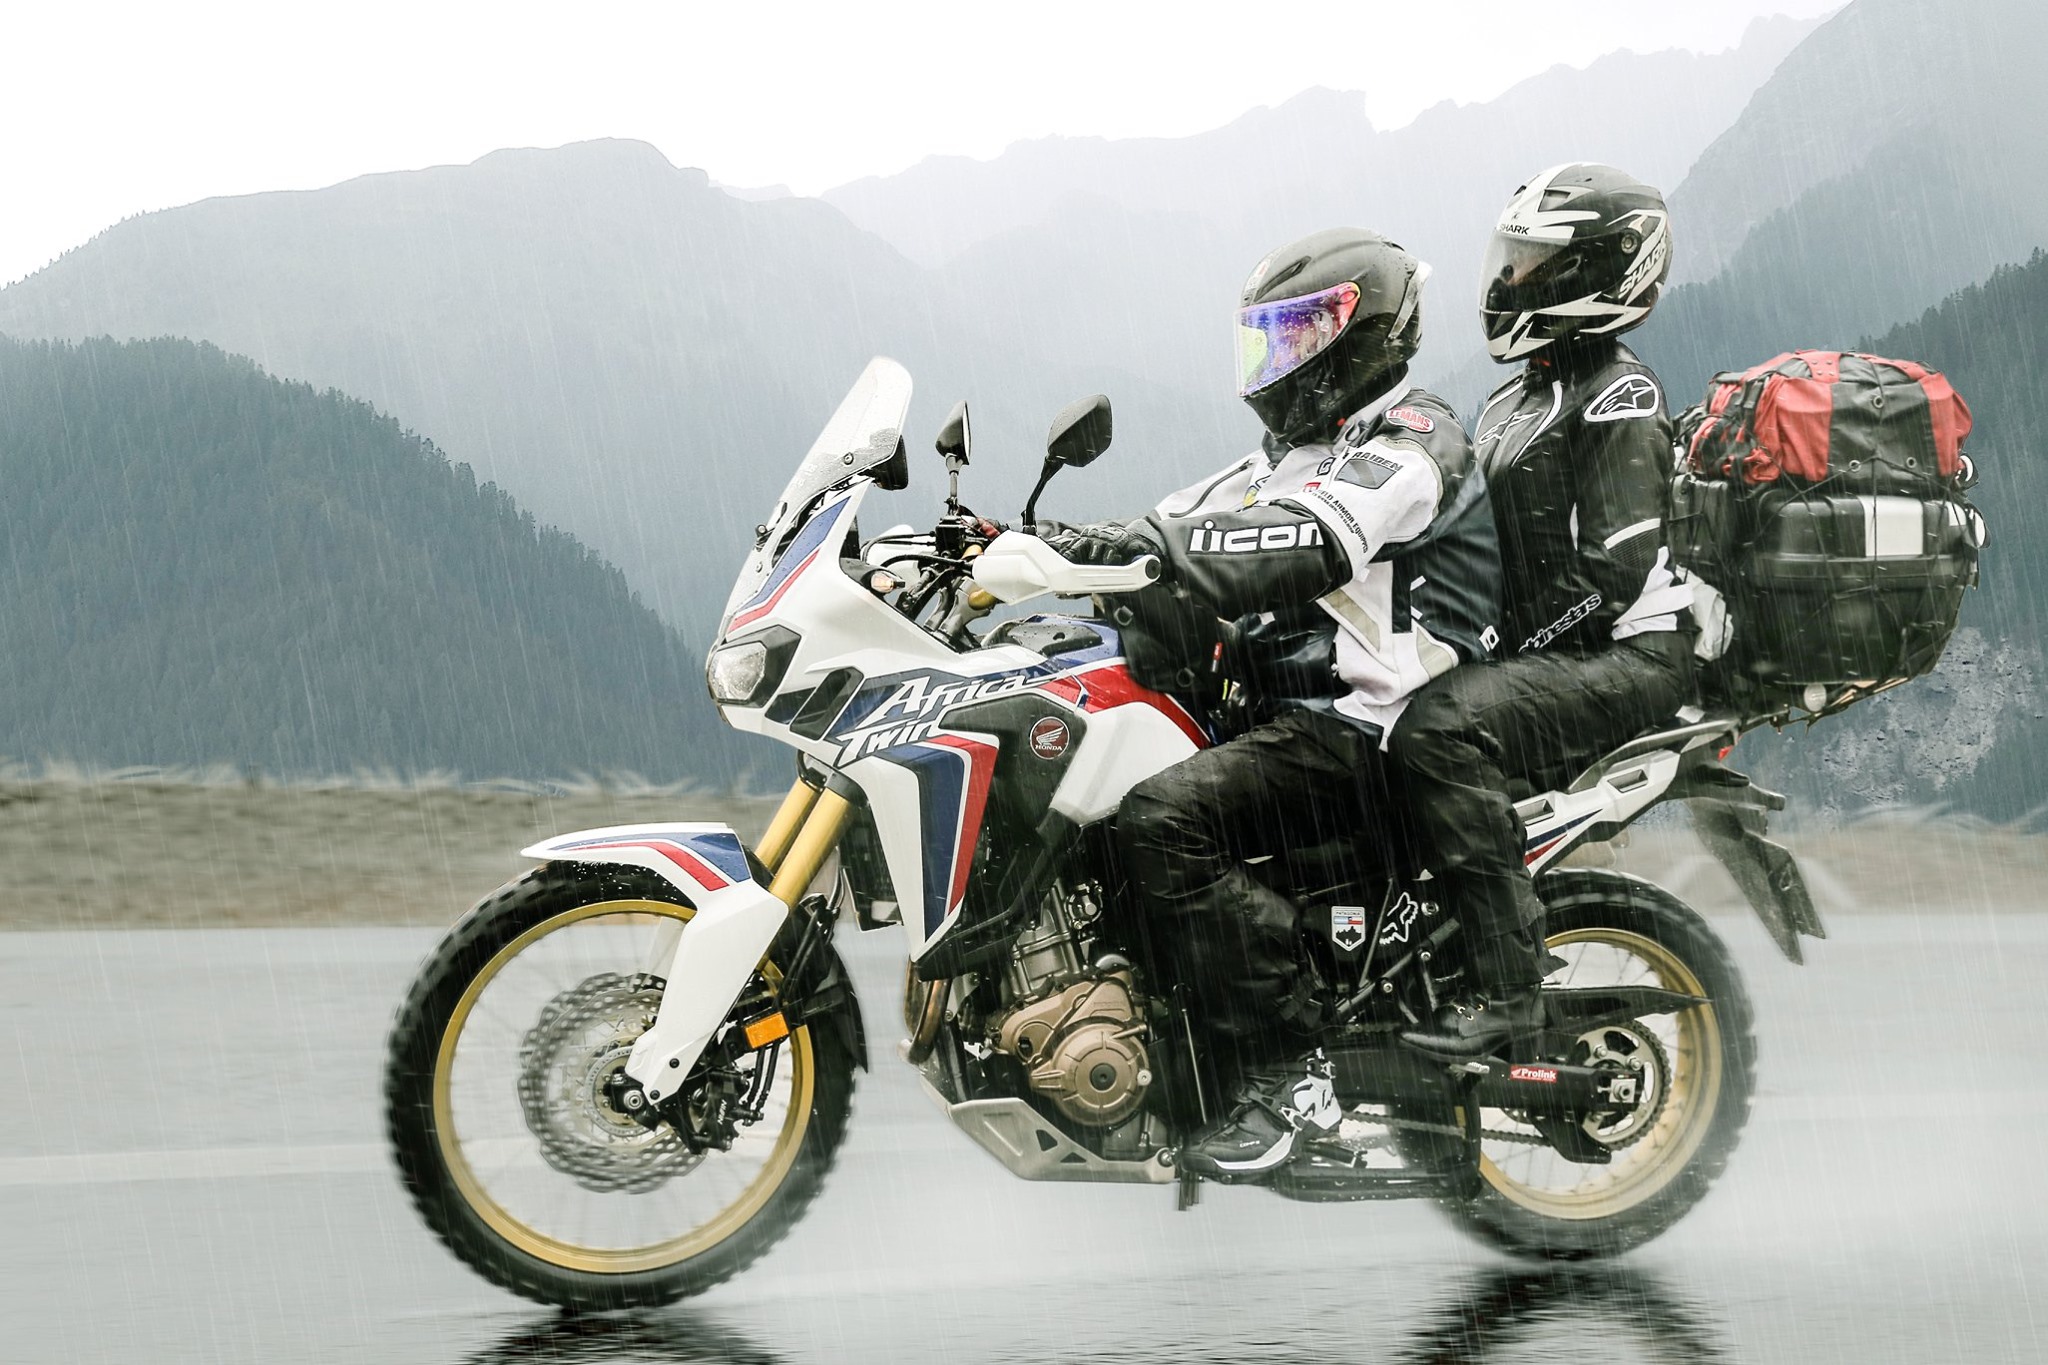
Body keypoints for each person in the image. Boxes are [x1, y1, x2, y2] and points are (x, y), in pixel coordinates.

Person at [1044, 228, 1501, 1179]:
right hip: (1293, 715)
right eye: (1270, 339)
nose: (1279, 360)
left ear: (1359, 336)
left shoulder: (1408, 442)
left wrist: (1161, 549)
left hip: (1370, 726)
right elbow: (1170, 521)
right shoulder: (1288, 455)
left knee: (1163, 820)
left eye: (1298, 336)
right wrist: (1038, 547)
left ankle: (1292, 1073)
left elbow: (1305, 538)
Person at [1392, 163, 1695, 1058]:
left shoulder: (1620, 395)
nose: (1509, 280)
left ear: (1593, 273)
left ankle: (1512, 985)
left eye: (1533, 263)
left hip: (1630, 656)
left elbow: (1610, 574)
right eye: (1511, 258)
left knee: (1437, 730)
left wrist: (1492, 647)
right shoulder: (1517, 396)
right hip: (1554, 651)